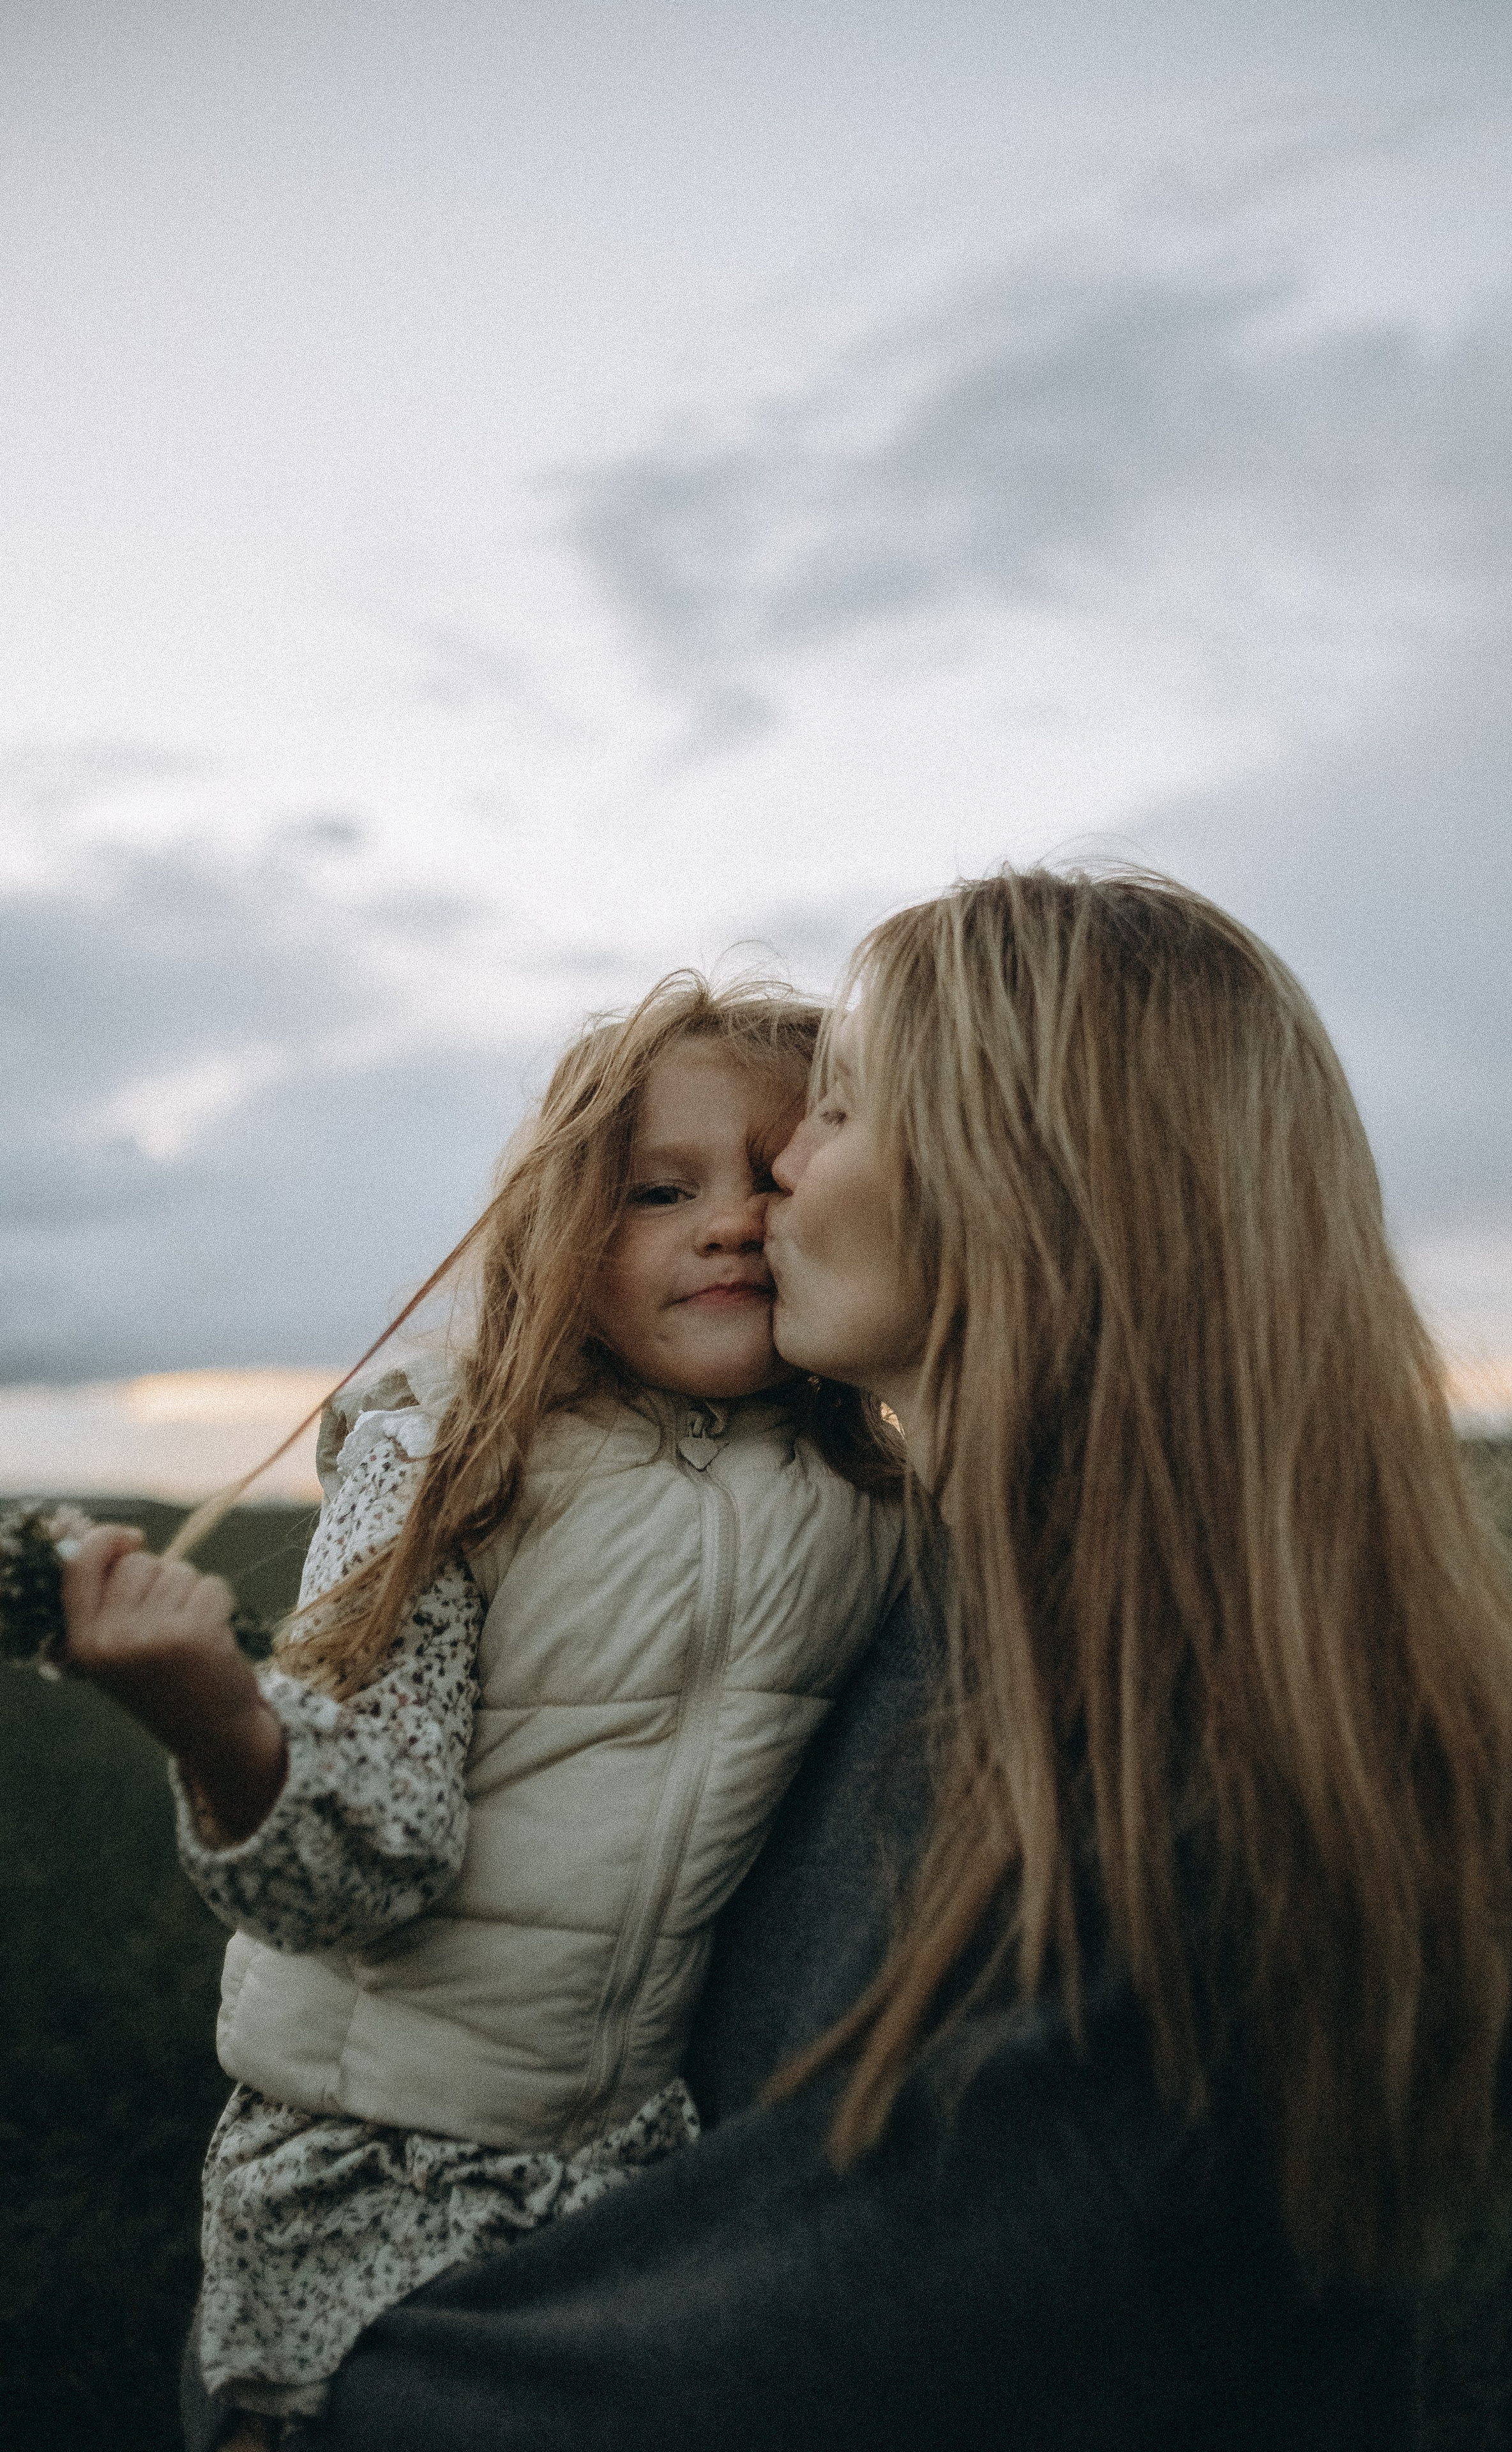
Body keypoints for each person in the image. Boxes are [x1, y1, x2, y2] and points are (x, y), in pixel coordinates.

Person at [217, 867, 1512, 2452]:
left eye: (831, 1113)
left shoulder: (1184, 1814)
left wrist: (331, 2409)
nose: (775, 1176)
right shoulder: (931, 1593)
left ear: (1020, 1183)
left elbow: (788, 2349)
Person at [57, 977, 905, 2446]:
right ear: (564, 1231)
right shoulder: (451, 1457)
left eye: (769, 1179)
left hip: (633, 2161)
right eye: (659, 1190)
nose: (729, 1223)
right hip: (366, 2156)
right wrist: (217, 1721)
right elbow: (350, 1872)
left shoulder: (871, 1493)